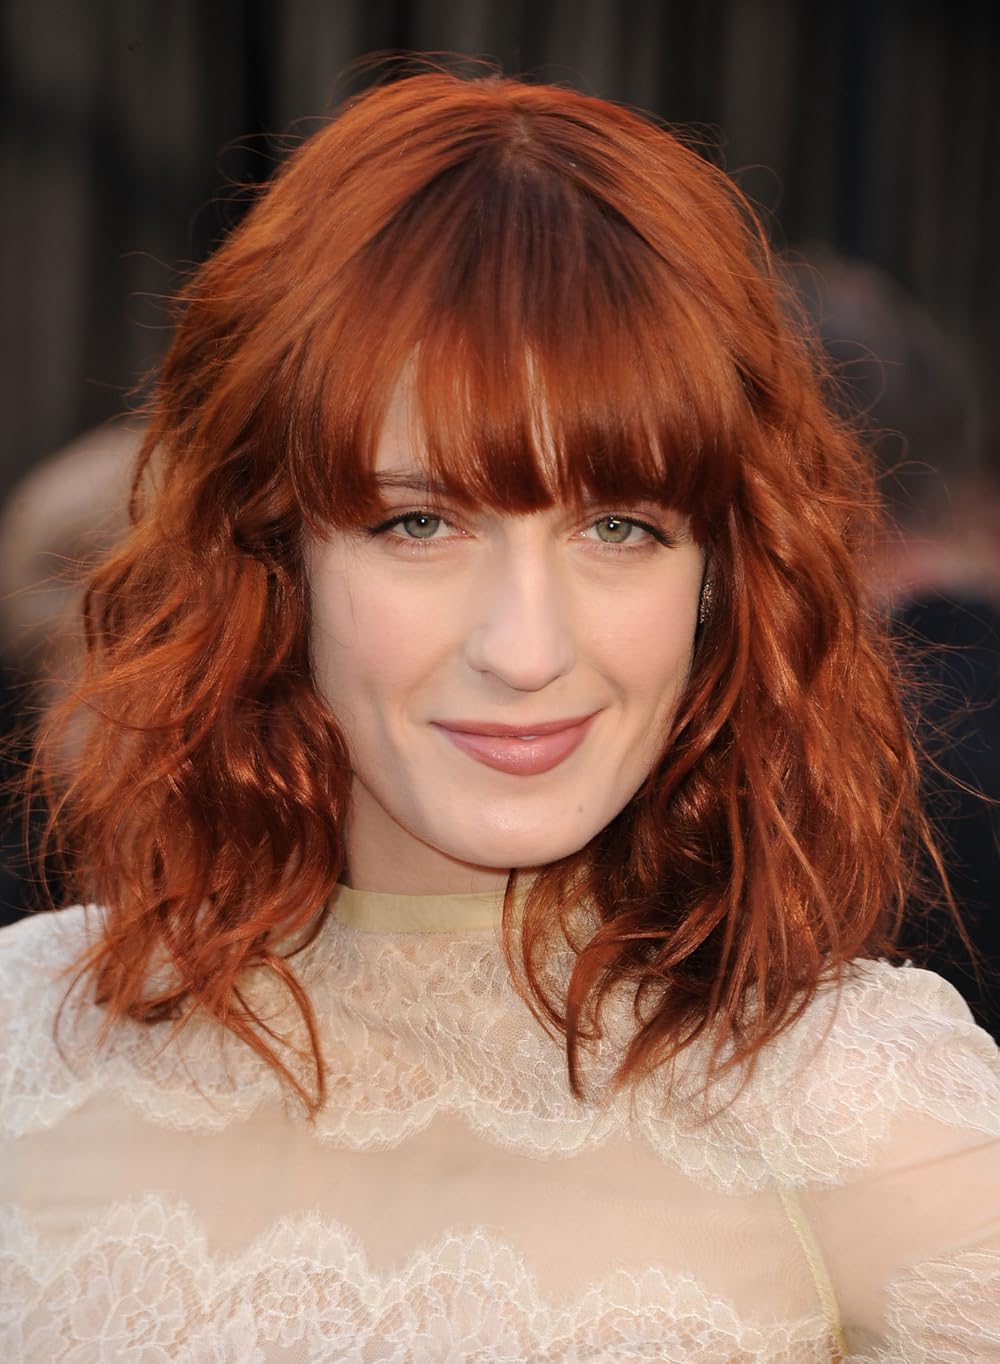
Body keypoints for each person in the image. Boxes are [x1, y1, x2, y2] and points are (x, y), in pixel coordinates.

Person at [1, 69, 997, 1361]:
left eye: (621, 526)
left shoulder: (854, 1109)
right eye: (419, 523)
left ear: (721, 578)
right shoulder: (28, 1048)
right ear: (272, 550)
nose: (526, 652)